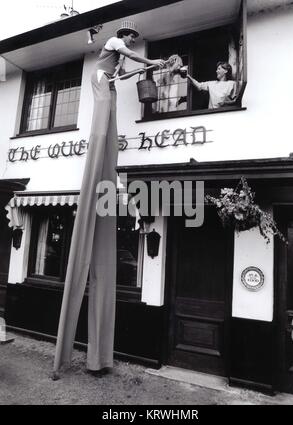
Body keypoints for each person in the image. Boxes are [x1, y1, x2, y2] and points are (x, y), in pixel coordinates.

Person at [53, 21, 165, 378]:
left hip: (111, 83)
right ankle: (100, 138)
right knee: (103, 115)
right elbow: (130, 57)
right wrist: (151, 63)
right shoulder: (116, 40)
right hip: (100, 83)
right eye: (133, 36)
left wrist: (147, 69)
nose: (133, 39)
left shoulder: (120, 55)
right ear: (126, 33)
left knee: (111, 107)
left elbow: (129, 67)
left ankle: (97, 359)